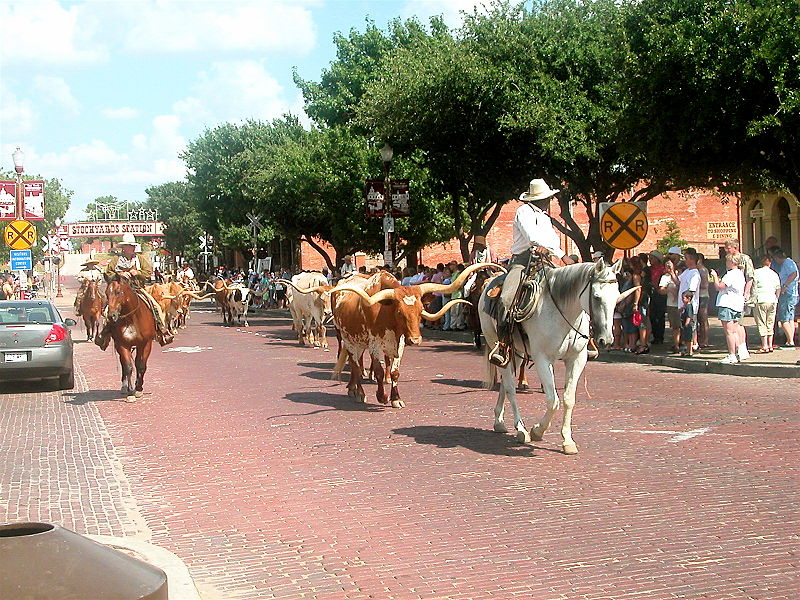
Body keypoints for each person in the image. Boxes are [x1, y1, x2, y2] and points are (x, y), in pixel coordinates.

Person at [489, 179, 574, 367]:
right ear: (537, 199)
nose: (549, 201)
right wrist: (553, 251)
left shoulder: (544, 217)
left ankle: (581, 338)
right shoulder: (523, 212)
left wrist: (562, 256)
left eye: (549, 198)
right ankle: (503, 345)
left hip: (546, 261)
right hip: (522, 261)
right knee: (506, 298)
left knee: (571, 289)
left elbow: (553, 240)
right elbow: (531, 237)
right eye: (546, 198)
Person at [95, 233, 174, 349]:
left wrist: (138, 273)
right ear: (123, 247)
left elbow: (147, 274)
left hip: (137, 289)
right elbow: (108, 273)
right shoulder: (116, 260)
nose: (129, 248)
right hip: (119, 290)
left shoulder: (140, 259)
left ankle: (162, 330)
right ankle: (105, 333)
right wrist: (119, 274)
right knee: (108, 310)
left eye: (131, 246)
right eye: (127, 246)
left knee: (154, 305)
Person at [710, 253, 747, 364]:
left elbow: (719, 287)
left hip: (728, 304)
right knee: (734, 330)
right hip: (737, 304)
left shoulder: (731, 274)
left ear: (732, 262)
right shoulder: (740, 274)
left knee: (729, 332)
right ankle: (737, 353)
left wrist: (715, 277)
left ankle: (731, 354)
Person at [752, 254, 781, 353]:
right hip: (772, 299)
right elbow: (778, 288)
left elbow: (753, 286)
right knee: (770, 323)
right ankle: (770, 344)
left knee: (761, 323)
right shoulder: (774, 274)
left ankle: (764, 345)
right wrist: (776, 298)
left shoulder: (756, 272)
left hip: (760, 299)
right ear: (770, 262)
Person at [770, 247, 798, 349]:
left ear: (778, 257)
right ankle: (789, 340)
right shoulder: (789, 263)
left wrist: (785, 286)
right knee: (790, 318)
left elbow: (793, 274)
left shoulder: (787, 263)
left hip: (787, 293)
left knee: (784, 318)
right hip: (791, 294)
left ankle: (790, 342)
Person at [678, 248, 701, 352]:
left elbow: (691, 291)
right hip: (682, 303)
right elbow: (678, 281)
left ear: (692, 260)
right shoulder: (687, 271)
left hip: (689, 305)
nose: (685, 261)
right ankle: (689, 344)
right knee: (685, 326)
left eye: (686, 258)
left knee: (691, 325)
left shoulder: (695, 274)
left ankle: (694, 344)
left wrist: (686, 303)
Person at [648, 250, 667, 345]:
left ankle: (659, 336)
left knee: (659, 315)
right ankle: (655, 335)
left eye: (652, 258)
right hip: (651, 294)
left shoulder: (662, 269)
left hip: (659, 293)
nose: (650, 260)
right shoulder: (649, 269)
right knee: (652, 315)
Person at [679, 291, 696, 357]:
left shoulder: (689, 306)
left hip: (688, 325)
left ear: (689, 298)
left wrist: (686, 323)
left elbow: (689, 316)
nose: (682, 300)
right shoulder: (685, 306)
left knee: (689, 339)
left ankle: (690, 351)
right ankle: (686, 351)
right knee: (686, 338)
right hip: (684, 324)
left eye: (684, 298)